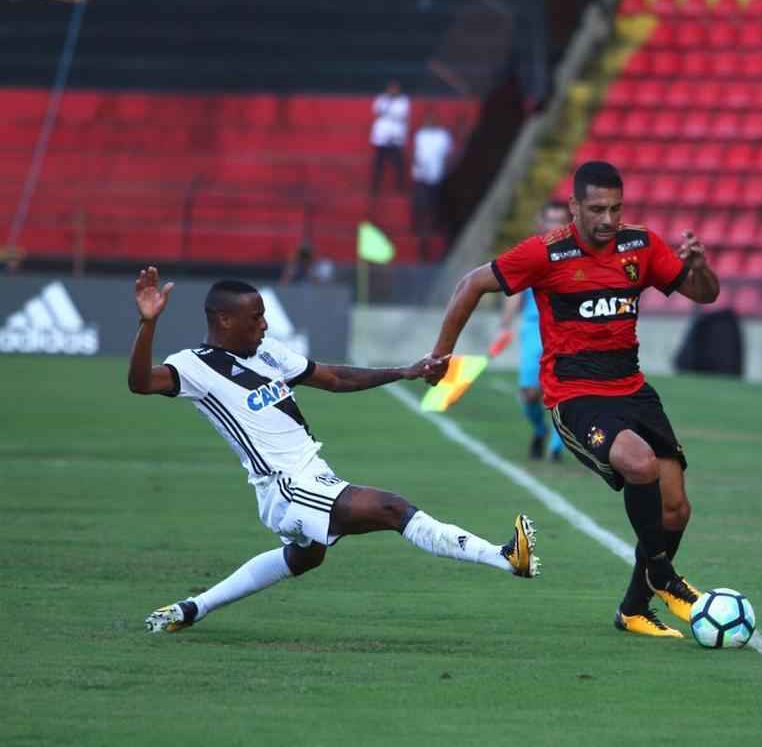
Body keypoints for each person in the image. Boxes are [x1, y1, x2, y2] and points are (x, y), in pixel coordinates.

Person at [128, 267, 539, 634]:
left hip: (314, 473)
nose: (265, 325)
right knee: (393, 509)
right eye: (255, 318)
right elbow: (141, 383)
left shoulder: (267, 352)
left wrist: (404, 371)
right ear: (223, 319)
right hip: (285, 487)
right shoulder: (195, 366)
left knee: (304, 559)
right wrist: (148, 325)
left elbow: (335, 377)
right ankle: (506, 557)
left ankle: (192, 608)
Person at [424, 161, 720, 639]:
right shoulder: (545, 253)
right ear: (575, 207)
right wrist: (441, 356)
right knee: (639, 464)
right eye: (598, 209)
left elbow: (703, 294)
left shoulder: (640, 245)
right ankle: (663, 577)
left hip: (633, 388)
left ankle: (634, 609)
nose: (609, 219)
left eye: (616, 208)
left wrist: (700, 269)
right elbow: (471, 284)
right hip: (575, 395)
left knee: (676, 510)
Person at [495, 202, 570, 461]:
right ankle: (540, 430)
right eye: (550, 220)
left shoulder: (578, 255)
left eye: (560, 221)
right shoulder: (531, 254)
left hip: (567, 331)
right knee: (529, 392)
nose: (554, 226)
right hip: (533, 329)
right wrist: (505, 325)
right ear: (541, 224)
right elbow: (513, 290)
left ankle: (556, 447)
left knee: (562, 390)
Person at [410, 113, 456, 257]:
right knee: (419, 203)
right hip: (421, 175)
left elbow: (448, 155)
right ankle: (418, 224)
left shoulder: (443, 136)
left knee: (434, 203)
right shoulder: (420, 135)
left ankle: (434, 224)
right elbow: (416, 152)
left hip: (436, 176)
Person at [369, 80, 409, 194]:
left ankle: (400, 187)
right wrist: (388, 104)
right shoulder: (381, 98)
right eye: (391, 88)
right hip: (381, 136)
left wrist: (388, 113)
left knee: (398, 164)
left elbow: (401, 115)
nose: (393, 91)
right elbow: (377, 112)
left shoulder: (403, 100)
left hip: (396, 137)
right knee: (379, 163)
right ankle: (375, 187)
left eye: (395, 89)